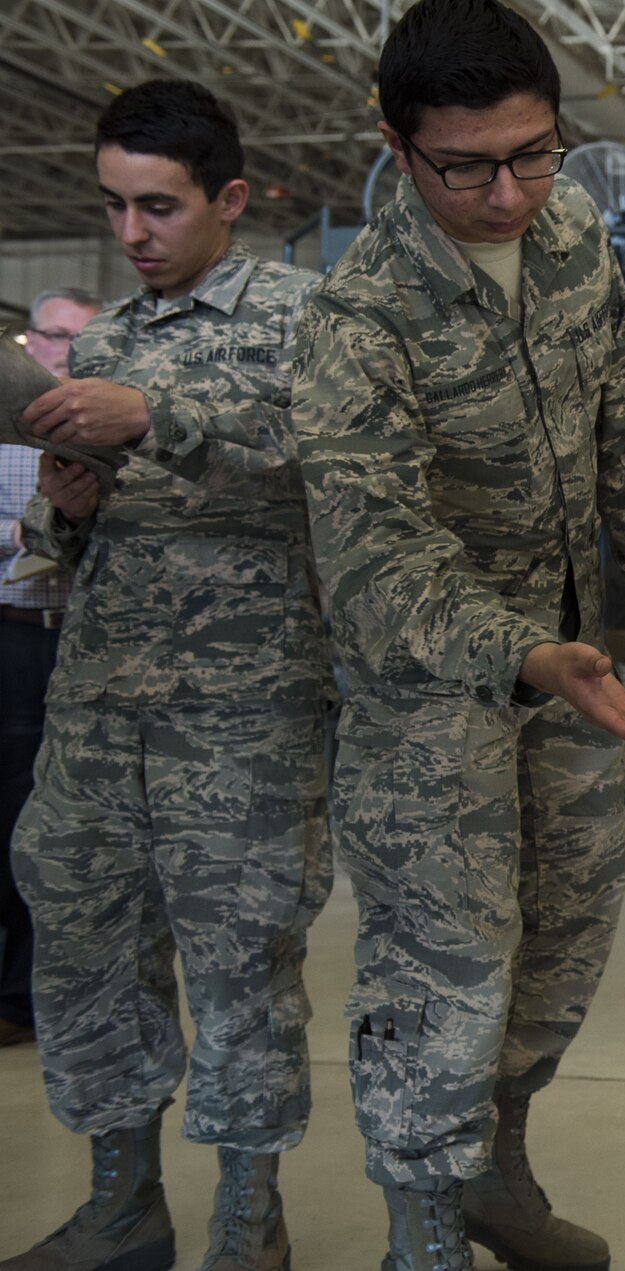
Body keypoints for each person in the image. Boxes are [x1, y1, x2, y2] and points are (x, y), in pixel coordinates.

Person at [289, 0, 625, 1271]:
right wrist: (523, 649)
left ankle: (497, 1177)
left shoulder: (573, 236)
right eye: (466, 168)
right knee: (441, 975)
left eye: (533, 154)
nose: (509, 195)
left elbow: (621, 411)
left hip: (574, 670)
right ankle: (423, 1236)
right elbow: (376, 558)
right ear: (398, 147)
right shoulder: (355, 322)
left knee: (563, 943)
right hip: (430, 696)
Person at [4, 82, 333, 1271]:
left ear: (228, 201)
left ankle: (249, 1223)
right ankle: (123, 1200)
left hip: (243, 716)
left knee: (243, 964)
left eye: (159, 206)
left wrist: (158, 416)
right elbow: (64, 553)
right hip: (99, 707)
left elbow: (334, 463)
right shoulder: (98, 341)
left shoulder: (312, 319)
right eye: (114, 206)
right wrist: (69, 507)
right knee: (85, 940)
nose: (133, 233)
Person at [2, 287, 103, 1051]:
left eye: (81, 340)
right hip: (11, 636)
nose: (66, 351)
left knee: (64, 822)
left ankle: (26, 999)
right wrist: (27, 525)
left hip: (80, 641)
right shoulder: (7, 436)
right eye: (57, 335)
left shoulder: (103, 433)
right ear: (29, 340)